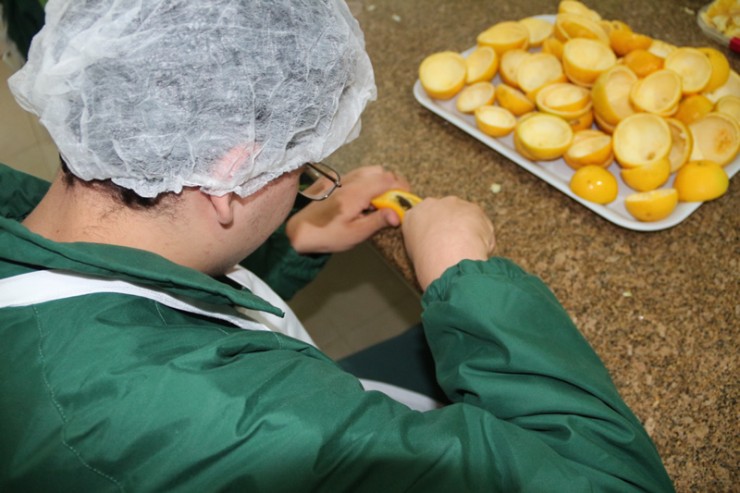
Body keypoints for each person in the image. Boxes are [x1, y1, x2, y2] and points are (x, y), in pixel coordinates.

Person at [0, 0, 674, 491]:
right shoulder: (232, 423)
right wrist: (469, 278)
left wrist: (295, 237)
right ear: (230, 173)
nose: (307, 179)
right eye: (301, 165)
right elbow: (614, 479)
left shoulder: (46, 221)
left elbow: (140, 289)